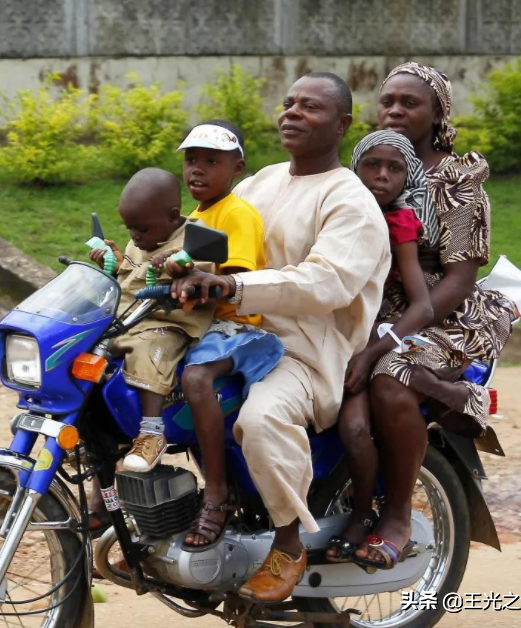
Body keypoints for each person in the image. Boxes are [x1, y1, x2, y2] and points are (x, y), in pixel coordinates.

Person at [170, 72, 391, 602]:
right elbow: (208, 236)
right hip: (231, 336)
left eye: (309, 107)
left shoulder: (350, 203)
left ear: (342, 125)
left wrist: (233, 285)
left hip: (303, 355)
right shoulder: (260, 182)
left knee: (262, 419)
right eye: (289, 103)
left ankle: (288, 541)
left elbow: (324, 282)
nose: (291, 113)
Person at [353, 62, 518, 570]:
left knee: (388, 375)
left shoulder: (458, 183)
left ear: (438, 112)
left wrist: (390, 338)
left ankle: (399, 514)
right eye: (388, 102)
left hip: (445, 316)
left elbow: (458, 280)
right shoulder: (369, 169)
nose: (396, 111)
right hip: (374, 308)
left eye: (410, 102)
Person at [153, 120, 284, 550]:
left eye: (212, 161)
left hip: (238, 328)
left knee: (195, 379)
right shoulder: (195, 215)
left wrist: (193, 273)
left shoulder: (236, 212)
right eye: (192, 160)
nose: (198, 170)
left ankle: (216, 493)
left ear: (237, 168)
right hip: (203, 325)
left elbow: (240, 276)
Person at [325, 130, 437, 563]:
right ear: (355, 168)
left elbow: (422, 306)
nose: (382, 176)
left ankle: (362, 513)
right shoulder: (334, 209)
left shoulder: (399, 224)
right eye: (372, 164)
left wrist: (370, 354)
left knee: (354, 428)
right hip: (327, 330)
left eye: (395, 168)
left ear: (408, 178)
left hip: (372, 336)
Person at [88, 167, 215, 473]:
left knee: (149, 350)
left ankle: (152, 432)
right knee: (87, 348)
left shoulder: (196, 236)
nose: (134, 236)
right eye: (129, 228)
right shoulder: (140, 240)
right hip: (131, 319)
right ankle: (91, 434)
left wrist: (178, 264)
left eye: (141, 229)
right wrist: (114, 261)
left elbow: (201, 269)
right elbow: (132, 274)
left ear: (172, 217)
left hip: (171, 323)